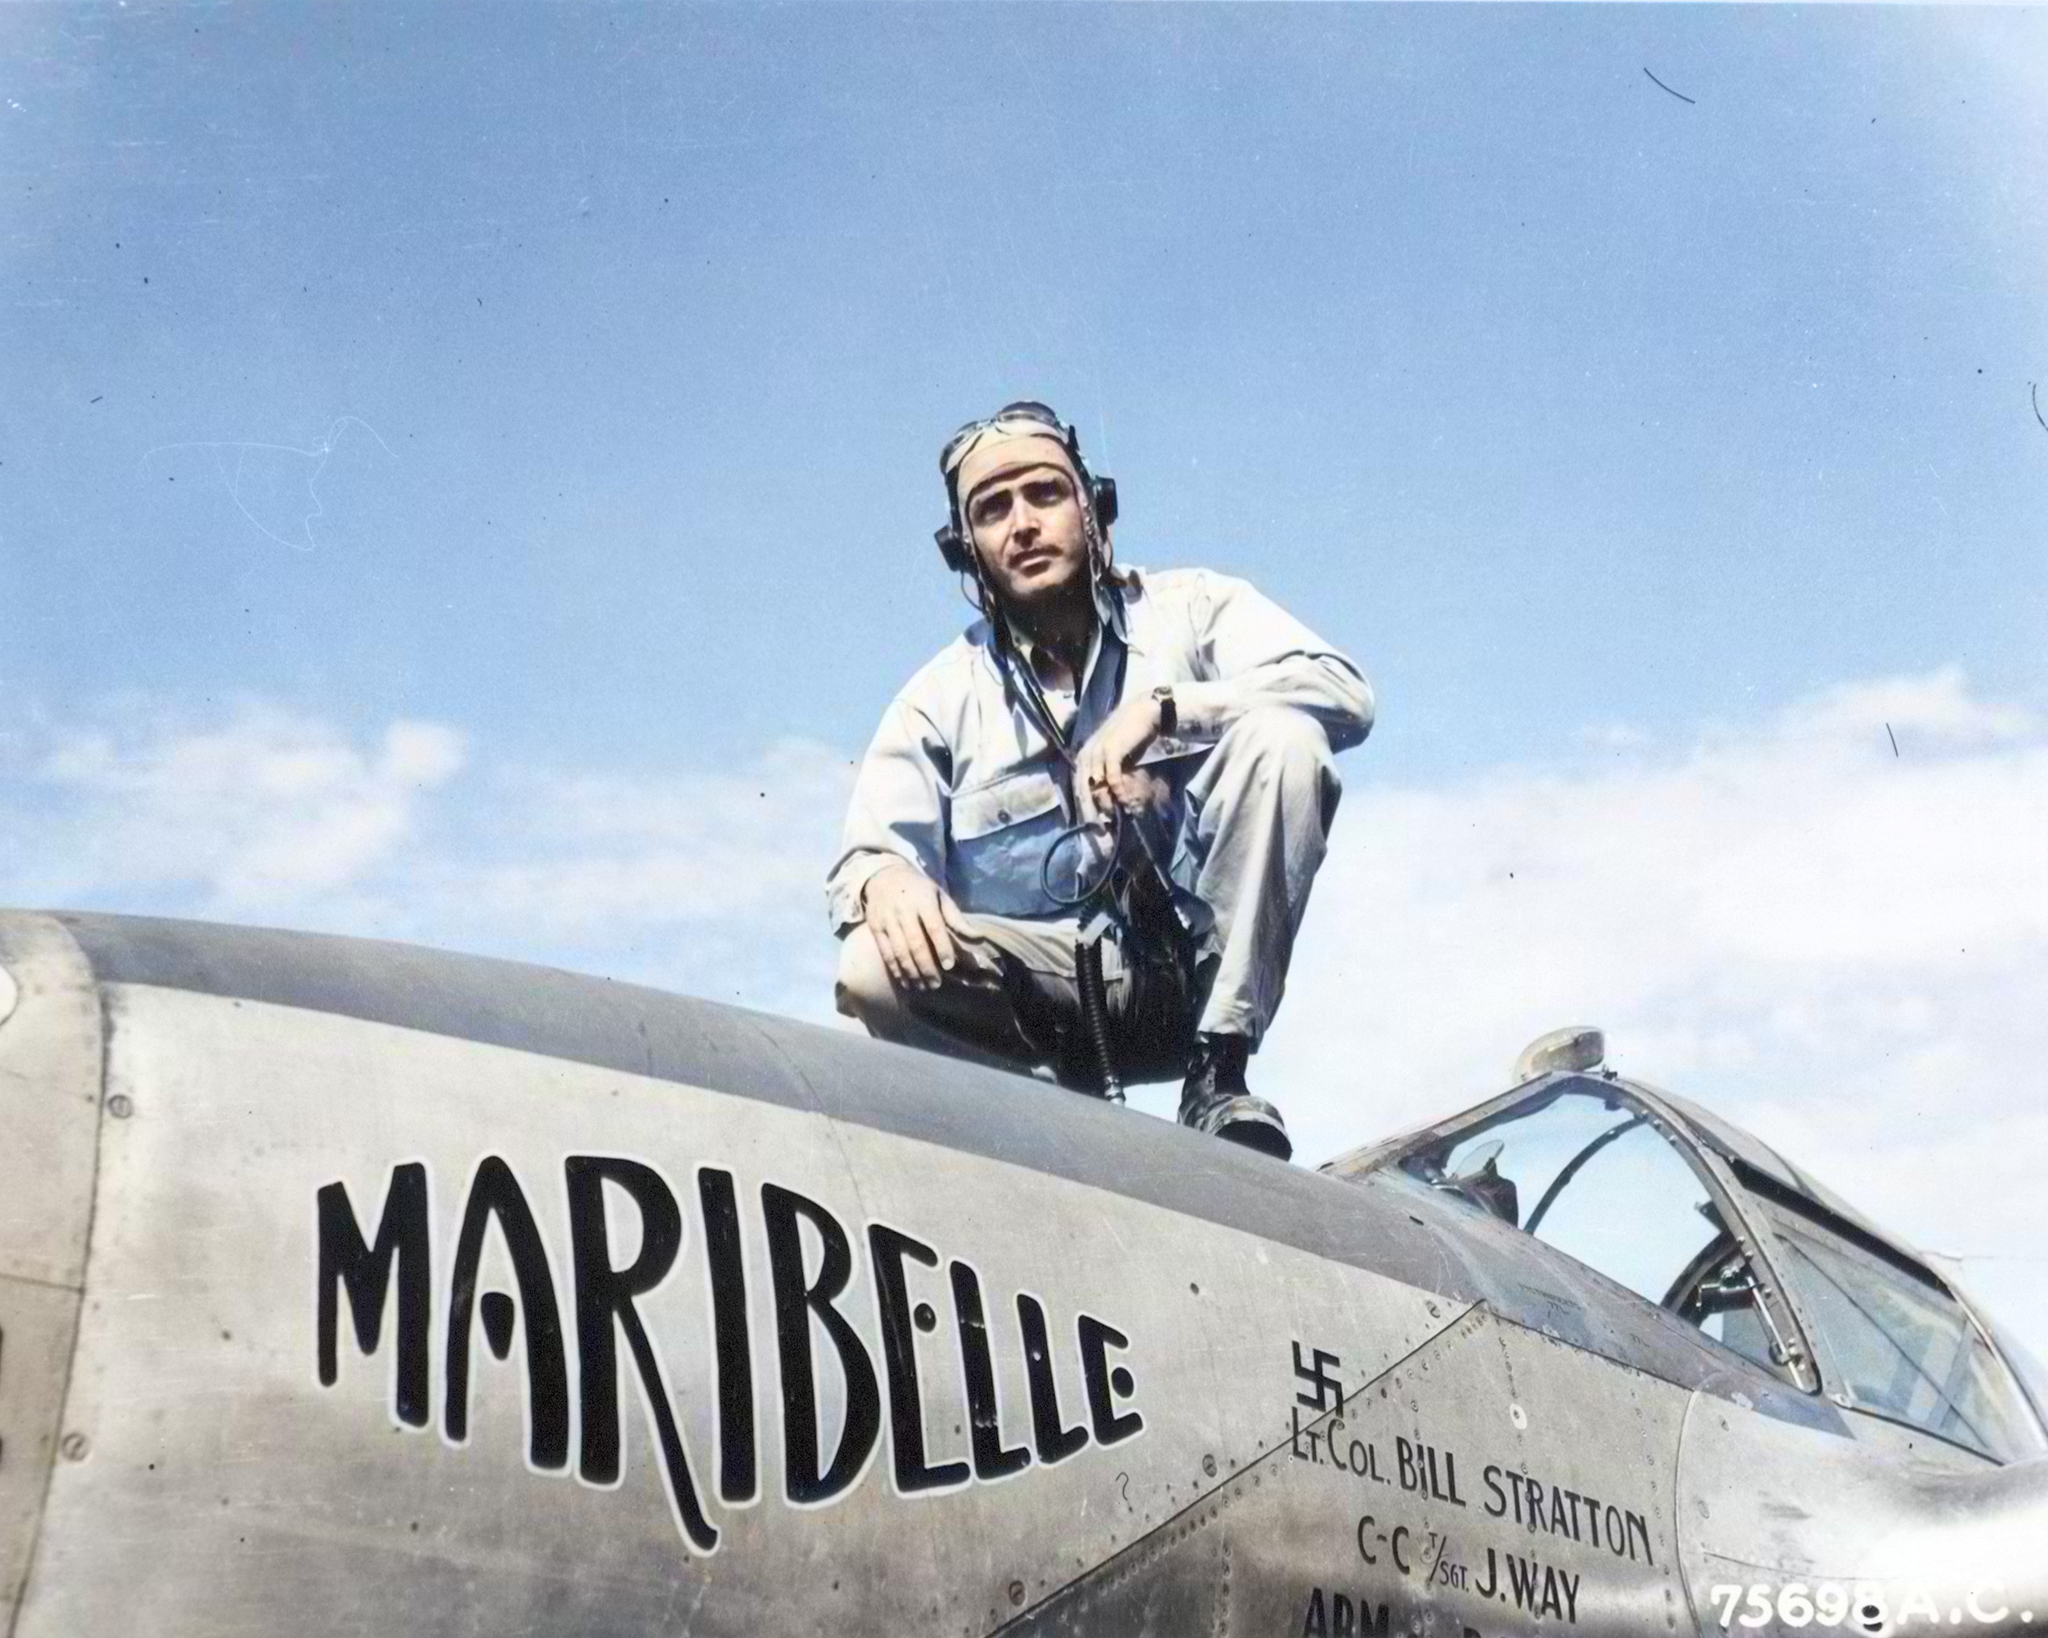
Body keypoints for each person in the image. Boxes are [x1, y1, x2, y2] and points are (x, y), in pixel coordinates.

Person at [826, 401, 1372, 1160]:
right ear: (966, 549)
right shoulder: (936, 698)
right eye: (993, 509)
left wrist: (1169, 709)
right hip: (1044, 1007)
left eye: (1044, 494)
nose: (1022, 523)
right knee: (869, 965)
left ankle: (1219, 1075)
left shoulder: (1197, 608)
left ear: (1093, 506)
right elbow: (868, 854)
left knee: (1288, 736)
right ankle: (1031, 1134)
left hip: (1193, 980)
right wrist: (887, 881)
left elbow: (1344, 692)